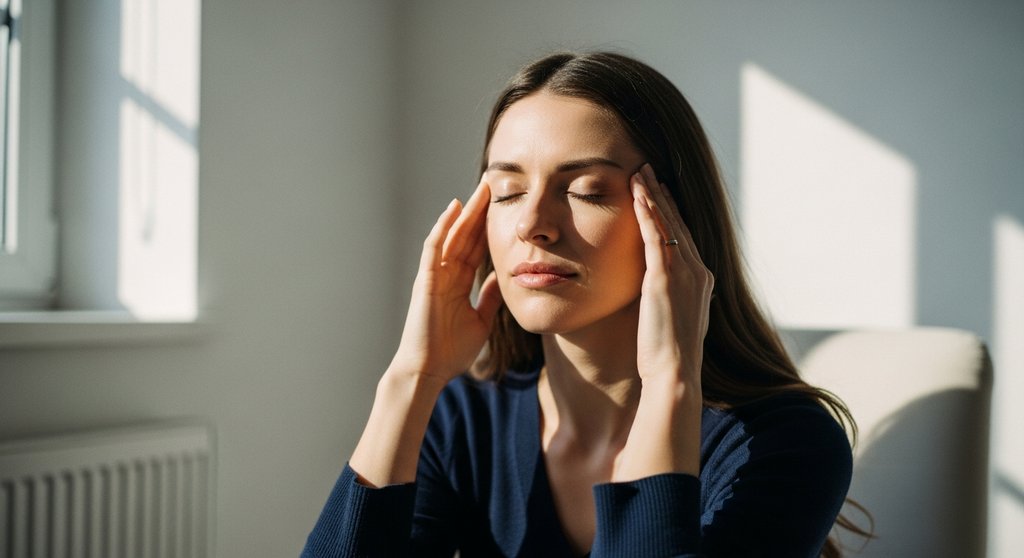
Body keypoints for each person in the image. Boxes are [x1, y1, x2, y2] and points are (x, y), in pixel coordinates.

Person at [302, 51, 861, 557]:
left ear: (676, 223)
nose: (532, 225)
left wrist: (669, 383)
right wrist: (411, 379)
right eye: (507, 192)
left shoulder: (785, 442)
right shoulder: (464, 423)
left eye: (586, 189)